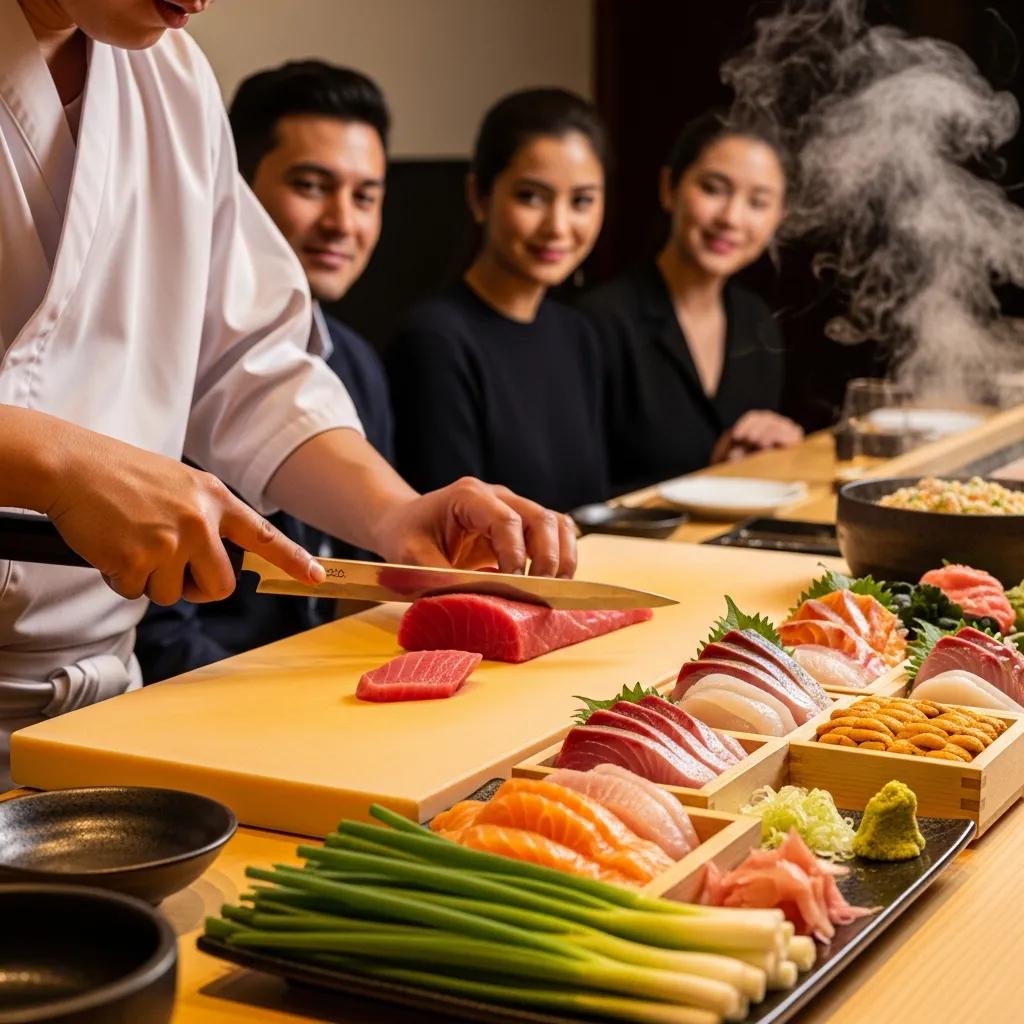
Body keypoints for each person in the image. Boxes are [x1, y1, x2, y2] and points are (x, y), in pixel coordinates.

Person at [0, 0, 575, 787]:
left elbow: (247, 359)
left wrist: (392, 513)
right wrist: (60, 466)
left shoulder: (171, 77)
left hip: (100, 703)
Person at [136, 60, 396, 682]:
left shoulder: (358, 361)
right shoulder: (163, 363)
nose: (343, 222)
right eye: (311, 186)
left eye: (365, 197)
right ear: (237, 198)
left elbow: (366, 581)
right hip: (196, 694)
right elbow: (159, 633)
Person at [385, 88, 609, 513]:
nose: (558, 226)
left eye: (581, 201)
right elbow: (452, 533)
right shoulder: (435, 340)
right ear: (479, 197)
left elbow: (591, 506)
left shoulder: (578, 333)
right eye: (531, 197)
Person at [581, 112, 804, 495]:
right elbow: (578, 490)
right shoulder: (598, 321)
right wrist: (709, 476)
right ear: (670, 188)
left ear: (778, 217)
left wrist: (779, 448)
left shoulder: (757, 320)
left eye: (758, 202)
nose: (731, 217)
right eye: (714, 189)